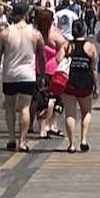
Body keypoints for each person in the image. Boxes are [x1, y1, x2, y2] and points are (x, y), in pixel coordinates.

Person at [0, 3, 45, 152]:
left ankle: (11, 138)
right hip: (28, 75)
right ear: (26, 15)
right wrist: (41, 75)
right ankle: (22, 141)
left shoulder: (4, 33)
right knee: (24, 108)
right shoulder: (35, 34)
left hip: (10, 75)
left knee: (9, 108)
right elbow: (41, 57)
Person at [56, 20, 98, 153]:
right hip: (86, 83)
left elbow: (58, 59)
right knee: (86, 111)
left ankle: (71, 144)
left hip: (69, 83)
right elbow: (93, 68)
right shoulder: (90, 47)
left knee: (70, 114)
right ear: (84, 30)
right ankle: (84, 140)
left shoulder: (67, 45)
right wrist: (96, 86)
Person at [35, 9, 66, 139]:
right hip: (54, 69)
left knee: (41, 99)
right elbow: (65, 49)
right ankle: (52, 125)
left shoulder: (35, 34)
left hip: (38, 69)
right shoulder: (55, 34)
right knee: (55, 98)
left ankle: (43, 128)